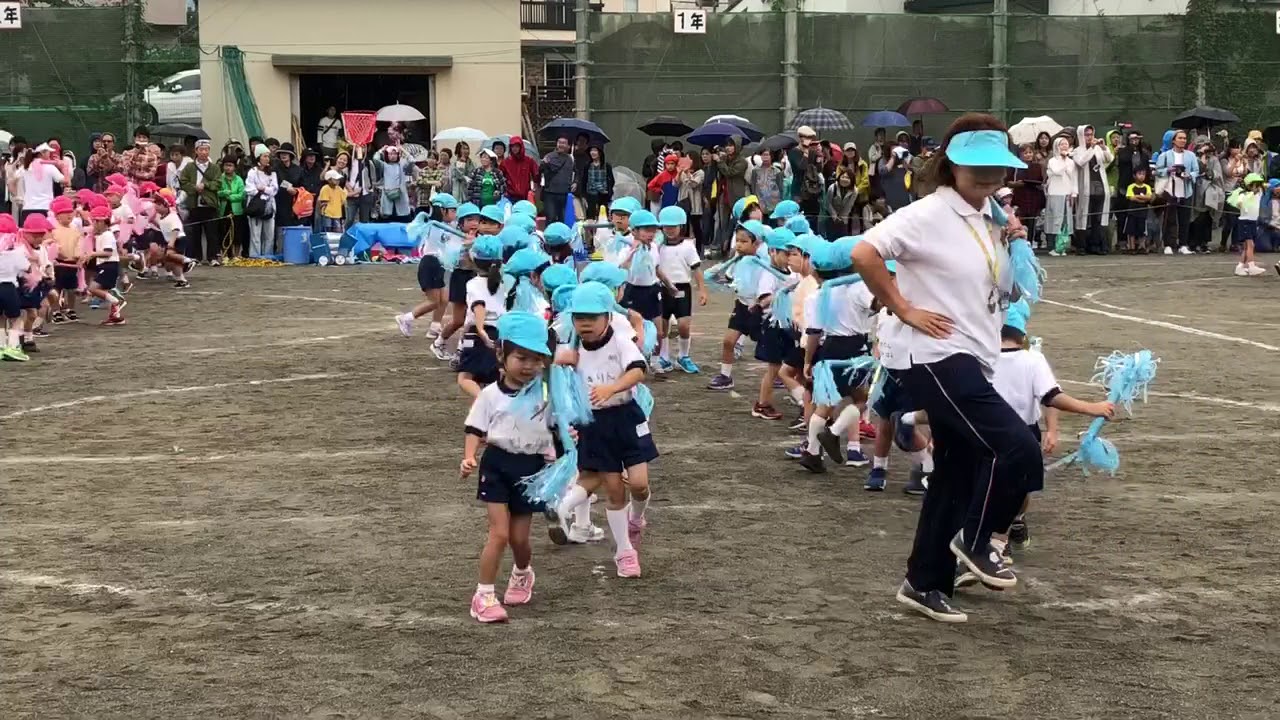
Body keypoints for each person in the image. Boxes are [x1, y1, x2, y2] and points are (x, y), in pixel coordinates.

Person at [852, 113, 1045, 624]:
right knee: (1017, 447)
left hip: (970, 353)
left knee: (957, 471)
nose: (987, 178)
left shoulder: (987, 218)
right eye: (976, 168)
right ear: (951, 165)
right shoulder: (928, 213)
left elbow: (997, 288)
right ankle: (978, 540)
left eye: (997, 169)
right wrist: (901, 306)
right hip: (931, 354)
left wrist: (1009, 239)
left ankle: (924, 580)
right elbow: (865, 251)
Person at [968, 301, 1114, 573]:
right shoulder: (1032, 358)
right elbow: (1051, 397)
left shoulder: (977, 357)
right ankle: (1000, 541)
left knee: (982, 487)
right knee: (1017, 488)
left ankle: (987, 541)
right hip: (1022, 433)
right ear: (1022, 334)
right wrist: (1092, 408)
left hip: (981, 433)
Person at [552, 281, 659, 579]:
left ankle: (637, 519)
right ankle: (624, 552)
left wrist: (612, 387)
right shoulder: (571, 351)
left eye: (592, 317)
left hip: (626, 418)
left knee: (639, 484)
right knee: (613, 488)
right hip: (595, 424)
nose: (584, 323)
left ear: (608, 317)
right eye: (579, 317)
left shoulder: (620, 341)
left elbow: (639, 370)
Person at [459, 311, 555, 623]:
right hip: (497, 464)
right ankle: (484, 595)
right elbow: (474, 428)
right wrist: (469, 456)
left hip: (531, 468)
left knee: (519, 539)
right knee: (498, 533)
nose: (528, 366)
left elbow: (559, 426)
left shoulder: (546, 392)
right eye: (521, 357)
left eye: (536, 359)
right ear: (501, 354)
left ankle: (523, 572)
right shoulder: (489, 395)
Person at [707, 220, 775, 391]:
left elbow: (767, 288)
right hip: (742, 306)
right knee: (728, 341)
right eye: (737, 240)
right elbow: (730, 278)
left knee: (770, 346)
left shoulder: (765, 263)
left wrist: (760, 305)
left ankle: (778, 375)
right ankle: (725, 376)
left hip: (761, 310)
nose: (739, 245)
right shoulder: (739, 260)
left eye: (744, 242)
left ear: (757, 242)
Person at [1153, 129, 1197, 255]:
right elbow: (1157, 170)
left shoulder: (1191, 155)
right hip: (1169, 190)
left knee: (1184, 219)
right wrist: (1169, 170)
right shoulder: (1165, 155)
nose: (1183, 140)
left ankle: (1183, 244)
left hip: (1185, 190)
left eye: (1184, 138)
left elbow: (1196, 171)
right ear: (1173, 140)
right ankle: (1168, 244)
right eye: (1180, 138)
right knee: (1169, 219)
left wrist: (1189, 175)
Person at [178, 140, 220, 264]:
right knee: (195, 231)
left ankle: (212, 257)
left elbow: (218, 182)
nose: (204, 152)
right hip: (194, 203)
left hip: (209, 203)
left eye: (206, 149)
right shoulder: (190, 167)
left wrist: (205, 185)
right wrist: (194, 187)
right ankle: (196, 257)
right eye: (201, 150)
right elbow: (183, 182)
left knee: (211, 231)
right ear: (196, 151)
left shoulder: (214, 167)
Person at [85, 204, 126, 326]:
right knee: (101, 290)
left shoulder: (107, 235)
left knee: (93, 288)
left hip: (109, 265)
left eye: (97, 221)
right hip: (106, 265)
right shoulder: (102, 235)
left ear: (104, 222)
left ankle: (115, 302)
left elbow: (107, 253)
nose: (95, 224)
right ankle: (115, 316)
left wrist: (93, 254)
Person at [1227, 173, 1268, 276]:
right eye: (1255, 185)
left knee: (1247, 247)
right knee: (1250, 245)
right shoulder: (1243, 194)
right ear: (1249, 185)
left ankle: (1240, 266)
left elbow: (1267, 187)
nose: (1257, 187)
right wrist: (1242, 202)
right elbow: (1239, 203)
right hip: (1245, 222)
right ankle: (1251, 266)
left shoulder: (1258, 194)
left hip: (1252, 221)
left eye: (1259, 185)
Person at [1044, 137, 1077, 256]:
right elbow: (1057, 171)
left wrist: (1074, 193)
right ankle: (1052, 246)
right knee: (1055, 220)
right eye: (1061, 144)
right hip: (1055, 193)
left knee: (1065, 220)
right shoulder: (1053, 160)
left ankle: (1061, 246)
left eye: (1066, 144)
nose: (1064, 146)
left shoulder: (1071, 162)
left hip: (1067, 193)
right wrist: (1063, 159)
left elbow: (1073, 178)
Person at [245, 145, 278, 258]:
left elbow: (274, 189)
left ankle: (268, 256)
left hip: (269, 205)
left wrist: (264, 189)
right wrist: (260, 192)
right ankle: (255, 256)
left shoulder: (272, 173)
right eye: (264, 156)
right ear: (258, 157)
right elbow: (249, 188)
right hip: (256, 205)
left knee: (269, 234)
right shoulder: (252, 172)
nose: (267, 159)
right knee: (255, 234)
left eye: (268, 156)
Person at [19, 144, 65, 224]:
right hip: (45, 208)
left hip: (28, 208)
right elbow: (66, 181)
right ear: (41, 153)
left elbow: (13, 180)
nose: (49, 154)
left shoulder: (25, 168)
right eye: (47, 151)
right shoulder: (50, 167)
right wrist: (63, 167)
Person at [216, 157, 248, 260]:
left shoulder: (239, 179)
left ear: (234, 167)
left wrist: (230, 196)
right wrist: (223, 193)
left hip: (236, 210)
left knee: (237, 233)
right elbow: (217, 192)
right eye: (226, 165)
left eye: (230, 166)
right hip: (224, 209)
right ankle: (225, 254)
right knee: (224, 232)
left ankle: (236, 255)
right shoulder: (220, 178)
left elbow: (242, 194)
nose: (228, 168)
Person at [373, 145, 414, 222]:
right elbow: (375, 159)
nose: (393, 156)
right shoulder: (384, 165)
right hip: (388, 195)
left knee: (402, 219)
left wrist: (403, 150)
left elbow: (411, 161)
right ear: (387, 155)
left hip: (400, 195)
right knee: (388, 218)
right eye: (390, 154)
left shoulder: (402, 165)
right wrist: (381, 150)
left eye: (395, 154)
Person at [540, 137, 576, 224]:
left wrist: (575, 182)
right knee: (550, 218)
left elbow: (577, 172)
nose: (561, 145)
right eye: (559, 142)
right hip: (550, 193)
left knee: (563, 219)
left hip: (564, 194)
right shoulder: (549, 156)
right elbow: (540, 170)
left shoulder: (570, 159)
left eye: (564, 143)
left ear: (568, 146)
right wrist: (544, 164)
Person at [500, 136, 539, 206]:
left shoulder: (529, 161)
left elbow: (536, 175)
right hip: (509, 196)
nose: (514, 148)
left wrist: (534, 189)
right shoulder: (505, 162)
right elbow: (500, 178)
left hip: (525, 196)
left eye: (517, 146)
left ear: (521, 147)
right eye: (512, 146)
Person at [578, 145, 614, 220]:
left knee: (603, 217)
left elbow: (611, 180)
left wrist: (609, 192)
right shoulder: (587, 165)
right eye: (591, 151)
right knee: (590, 216)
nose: (593, 153)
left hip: (603, 194)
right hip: (590, 194)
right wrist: (584, 195)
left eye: (595, 150)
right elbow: (584, 180)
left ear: (600, 153)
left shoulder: (607, 166)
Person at [1123, 166, 1154, 253]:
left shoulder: (1147, 187)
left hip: (1143, 212)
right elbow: (1131, 197)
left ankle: (1142, 247)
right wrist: (1142, 198)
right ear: (1134, 175)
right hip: (1132, 212)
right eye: (1139, 174)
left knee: (1142, 230)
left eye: (1143, 174)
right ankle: (1131, 247)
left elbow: (1149, 197)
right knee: (1131, 230)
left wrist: (1138, 196)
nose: (1142, 176)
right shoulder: (1131, 186)